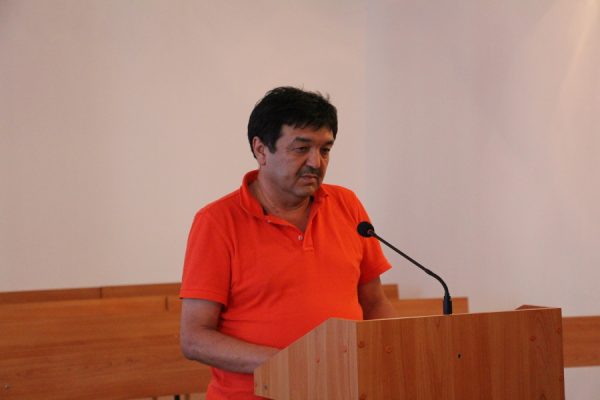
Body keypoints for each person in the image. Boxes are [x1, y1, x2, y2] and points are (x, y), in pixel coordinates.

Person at [180, 86, 396, 399]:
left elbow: (374, 303)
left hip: (342, 391)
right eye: (301, 148)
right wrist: (294, 364)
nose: (316, 162)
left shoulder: (347, 205)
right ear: (261, 150)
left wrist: (390, 358)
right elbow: (195, 338)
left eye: (325, 150)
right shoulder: (217, 221)